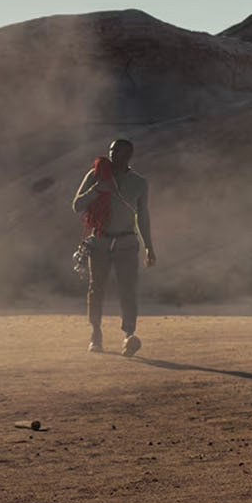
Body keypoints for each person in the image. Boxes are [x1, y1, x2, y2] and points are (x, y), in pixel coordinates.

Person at [72, 139, 155, 355]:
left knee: (128, 290)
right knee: (96, 288)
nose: (113, 155)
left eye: (118, 152)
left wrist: (149, 246)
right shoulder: (96, 175)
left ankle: (129, 335)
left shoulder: (139, 183)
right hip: (99, 241)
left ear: (129, 155)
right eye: (111, 151)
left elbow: (143, 216)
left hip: (126, 243)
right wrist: (97, 190)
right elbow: (77, 205)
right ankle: (96, 334)